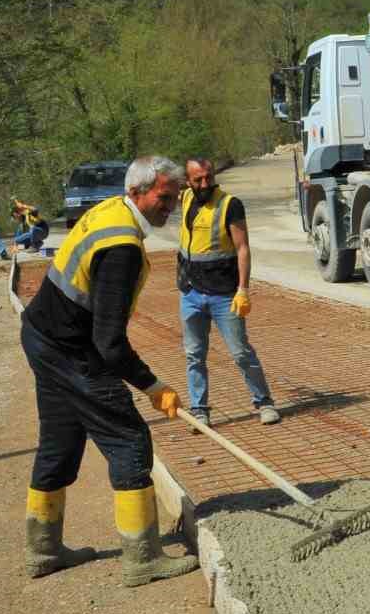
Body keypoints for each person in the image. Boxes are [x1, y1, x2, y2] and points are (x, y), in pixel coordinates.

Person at [19, 155, 199, 586]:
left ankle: (42, 550)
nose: (170, 206)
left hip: (43, 336)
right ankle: (143, 559)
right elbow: (110, 344)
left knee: (59, 442)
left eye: (175, 198)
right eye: (164, 196)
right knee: (129, 439)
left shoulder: (109, 209)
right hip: (71, 349)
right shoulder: (122, 248)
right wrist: (154, 385)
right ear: (137, 191)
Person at [177, 157, 281, 427]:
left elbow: (243, 248)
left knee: (240, 353)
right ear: (188, 181)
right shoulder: (186, 197)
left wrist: (243, 289)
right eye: (198, 179)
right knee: (194, 354)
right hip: (190, 292)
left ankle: (264, 402)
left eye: (208, 177)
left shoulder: (229, 204)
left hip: (224, 294)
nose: (205, 183)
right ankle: (199, 410)